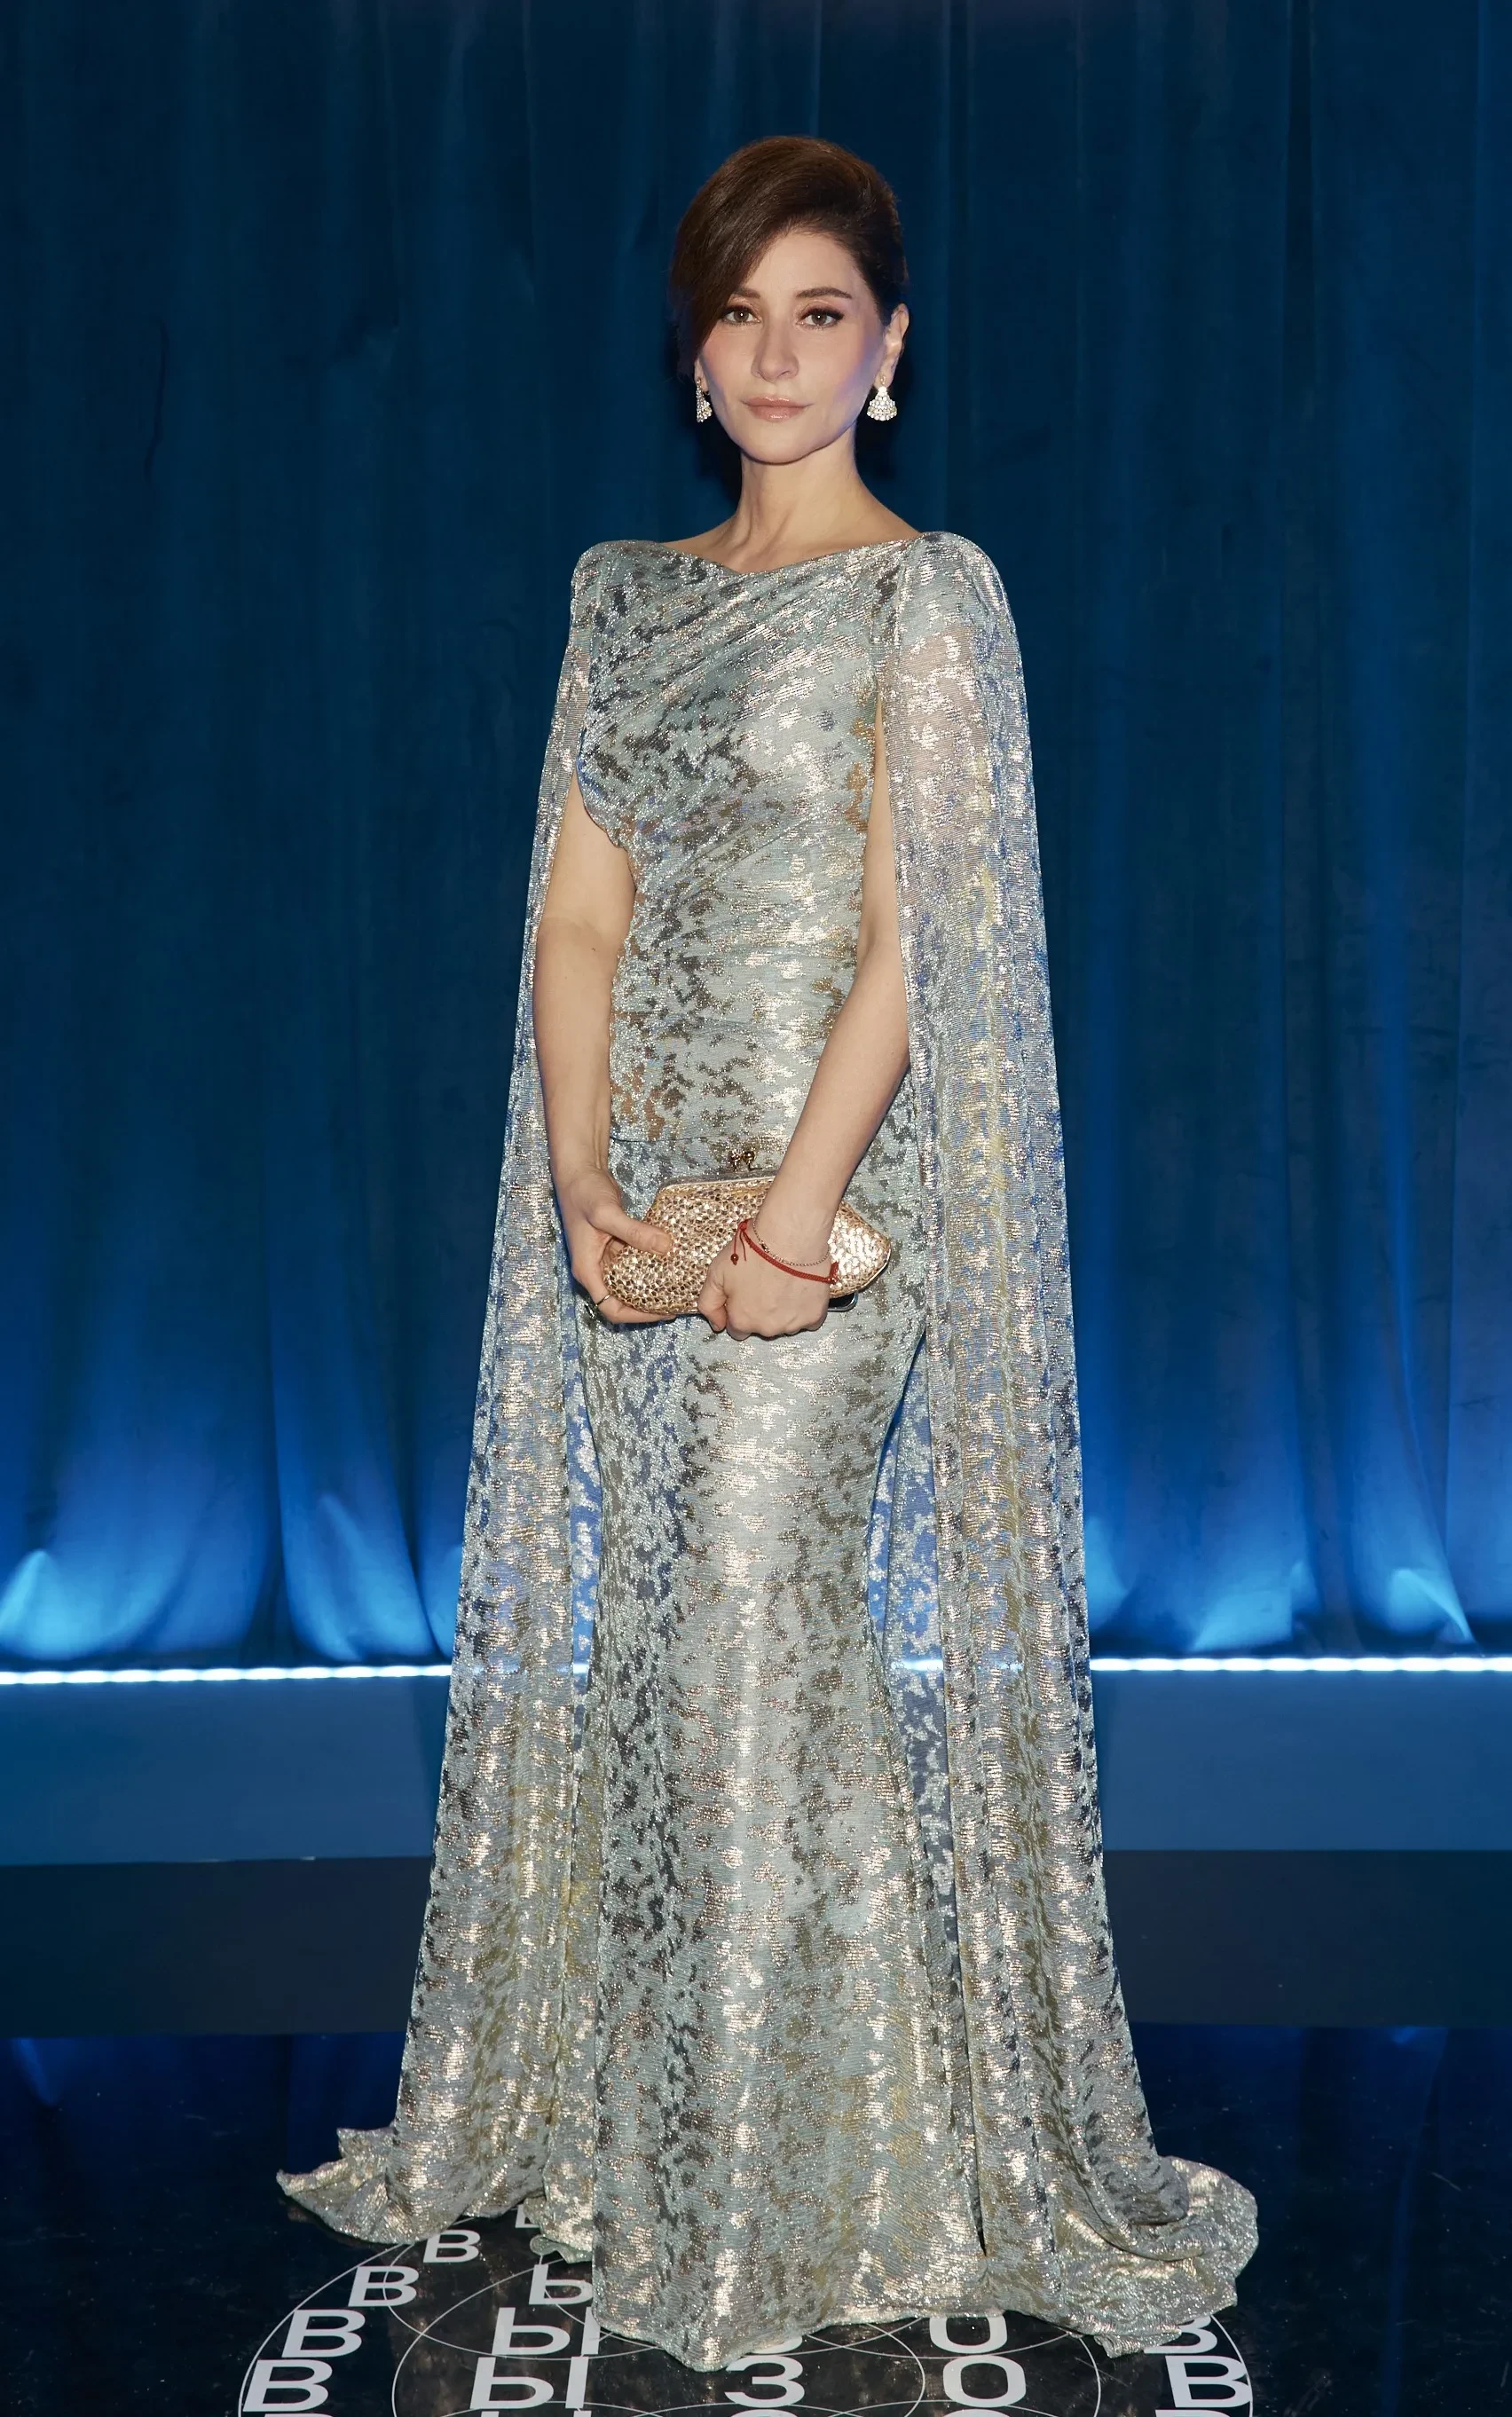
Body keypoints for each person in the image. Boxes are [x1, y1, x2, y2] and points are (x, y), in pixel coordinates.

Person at [280, 134, 1256, 2370]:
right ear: (696, 355)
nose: (779, 354)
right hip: (644, 1230)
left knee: (740, 1642)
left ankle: (770, 2205)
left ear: (890, 350)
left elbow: (921, 946)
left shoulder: (928, 599)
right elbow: (582, 914)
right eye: (741, 315)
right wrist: (582, 1187)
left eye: (823, 315)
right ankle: (736, 2140)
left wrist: (796, 1231)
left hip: (834, 1225)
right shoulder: (621, 596)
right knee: (683, 1679)